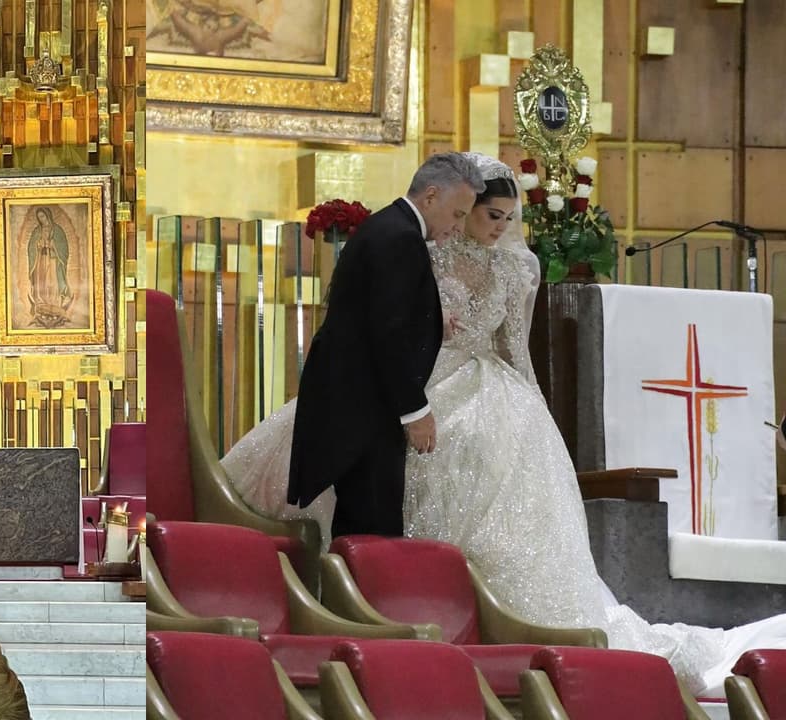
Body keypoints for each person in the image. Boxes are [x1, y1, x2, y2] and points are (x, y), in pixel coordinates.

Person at [222, 151, 786, 696]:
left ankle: (463, 615)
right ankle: (381, 608)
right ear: (458, 208)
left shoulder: (517, 267)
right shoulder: (424, 247)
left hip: (481, 383)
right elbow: (391, 327)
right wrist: (418, 391)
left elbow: (513, 348)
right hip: (407, 386)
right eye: (487, 216)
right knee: (371, 484)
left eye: (507, 219)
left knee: (483, 463)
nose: (496, 228)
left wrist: (530, 412)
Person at [286, 152, 483, 541]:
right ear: (430, 196)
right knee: (373, 530)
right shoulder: (400, 238)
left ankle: (355, 601)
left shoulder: (389, 228)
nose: (458, 227)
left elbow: (374, 311)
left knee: (367, 524)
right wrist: (416, 411)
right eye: (458, 214)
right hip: (365, 411)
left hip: (357, 403)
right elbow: (386, 334)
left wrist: (430, 320)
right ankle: (360, 603)